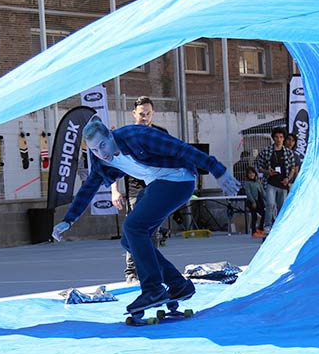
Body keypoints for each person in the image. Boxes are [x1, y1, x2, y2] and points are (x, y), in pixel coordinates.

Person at [51, 117, 240, 315]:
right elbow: (88, 188)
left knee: (133, 227)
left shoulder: (137, 136)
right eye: (95, 150)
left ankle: (153, 289)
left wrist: (219, 171)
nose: (102, 153)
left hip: (180, 178)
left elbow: (183, 149)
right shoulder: (101, 161)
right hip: (157, 182)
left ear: (110, 134)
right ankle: (178, 284)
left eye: (103, 145)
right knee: (128, 241)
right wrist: (68, 219)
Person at [109, 96, 170, 284]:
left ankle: (151, 272)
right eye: (141, 114)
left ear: (153, 114)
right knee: (135, 231)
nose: (145, 117)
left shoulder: (161, 133)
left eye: (148, 114)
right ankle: (132, 273)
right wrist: (114, 191)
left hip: (157, 189)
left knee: (153, 231)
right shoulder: (125, 136)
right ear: (134, 113)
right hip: (135, 191)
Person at [255, 127, 296, 232]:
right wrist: (266, 171)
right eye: (277, 137)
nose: (279, 139)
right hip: (270, 183)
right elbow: (258, 165)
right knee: (270, 204)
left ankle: (280, 225)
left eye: (281, 137)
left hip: (283, 183)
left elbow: (292, 168)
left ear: (283, 139)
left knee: (281, 206)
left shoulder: (288, 153)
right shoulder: (267, 151)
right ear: (273, 138)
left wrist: (288, 178)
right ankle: (267, 225)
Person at [242, 166, 266, 238]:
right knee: (254, 216)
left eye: (252, 173)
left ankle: (260, 229)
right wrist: (253, 201)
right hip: (252, 202)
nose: (251, 175)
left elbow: (262, 192)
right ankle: (254, 232)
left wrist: (267, 200)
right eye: (249, 173)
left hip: (259, 201)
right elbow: (248, 193)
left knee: (264, 214)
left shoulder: (258, 182)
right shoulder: (247, 183)